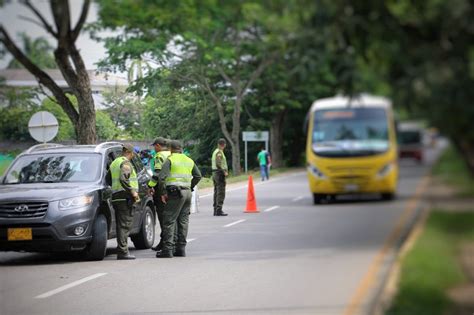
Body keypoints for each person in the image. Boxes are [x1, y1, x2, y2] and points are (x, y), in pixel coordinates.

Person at [157, 140, 201, 258]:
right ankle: (181, 249)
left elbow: (161, 178)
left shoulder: (170, 160)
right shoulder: (189, 160)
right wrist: (190, 186)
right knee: (183, 221)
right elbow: (198, 176)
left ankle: (167, 250)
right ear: (180, 149)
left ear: (171, 148)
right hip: (187, 193)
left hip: (175, 193)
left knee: (169, 220)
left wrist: (162, 193)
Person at [109, 143, 140, 260]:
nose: (132, 156)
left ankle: (121, 250)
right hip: (125, 197)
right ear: (129, 152)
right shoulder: (125, 163)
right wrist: (132, 192)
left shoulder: (114, 163)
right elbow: (123, 178)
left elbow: (108, 179)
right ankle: (123, 252)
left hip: (116, 197)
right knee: (125, 226)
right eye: (132, 154)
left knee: (120, 225)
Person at [147, 137, 171, 252]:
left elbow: (157, 173)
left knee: (163, 218)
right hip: (172, 188)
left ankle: (165, 243)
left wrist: (150, 185)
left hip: (161, 190)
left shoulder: (159, 156)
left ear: (158, 145)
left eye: (154, 146)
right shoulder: (171, 154)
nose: (154, 149)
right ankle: (170, 242)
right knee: (171, 218)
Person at [211, 138, 229, 216]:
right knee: (220, 192)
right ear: (224, 145)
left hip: (215, 173)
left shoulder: (215, 151)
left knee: (216, 191)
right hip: (219, 173)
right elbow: (219, 163)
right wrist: (224, 171)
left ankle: (215, 209)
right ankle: (219, 209)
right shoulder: (219, 152)